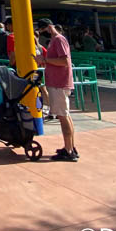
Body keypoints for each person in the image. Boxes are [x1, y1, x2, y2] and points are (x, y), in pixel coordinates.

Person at [37, 18, 78, 162]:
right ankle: (70, 146)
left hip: (59, 84)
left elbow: (64, 61)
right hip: (57, 82)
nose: (41, 33)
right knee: (65, 115)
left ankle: (69, 151)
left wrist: (45, 60)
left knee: (62, 116)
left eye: (42, 30)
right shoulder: (54, 41)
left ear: (49, 27)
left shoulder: (59, 40)